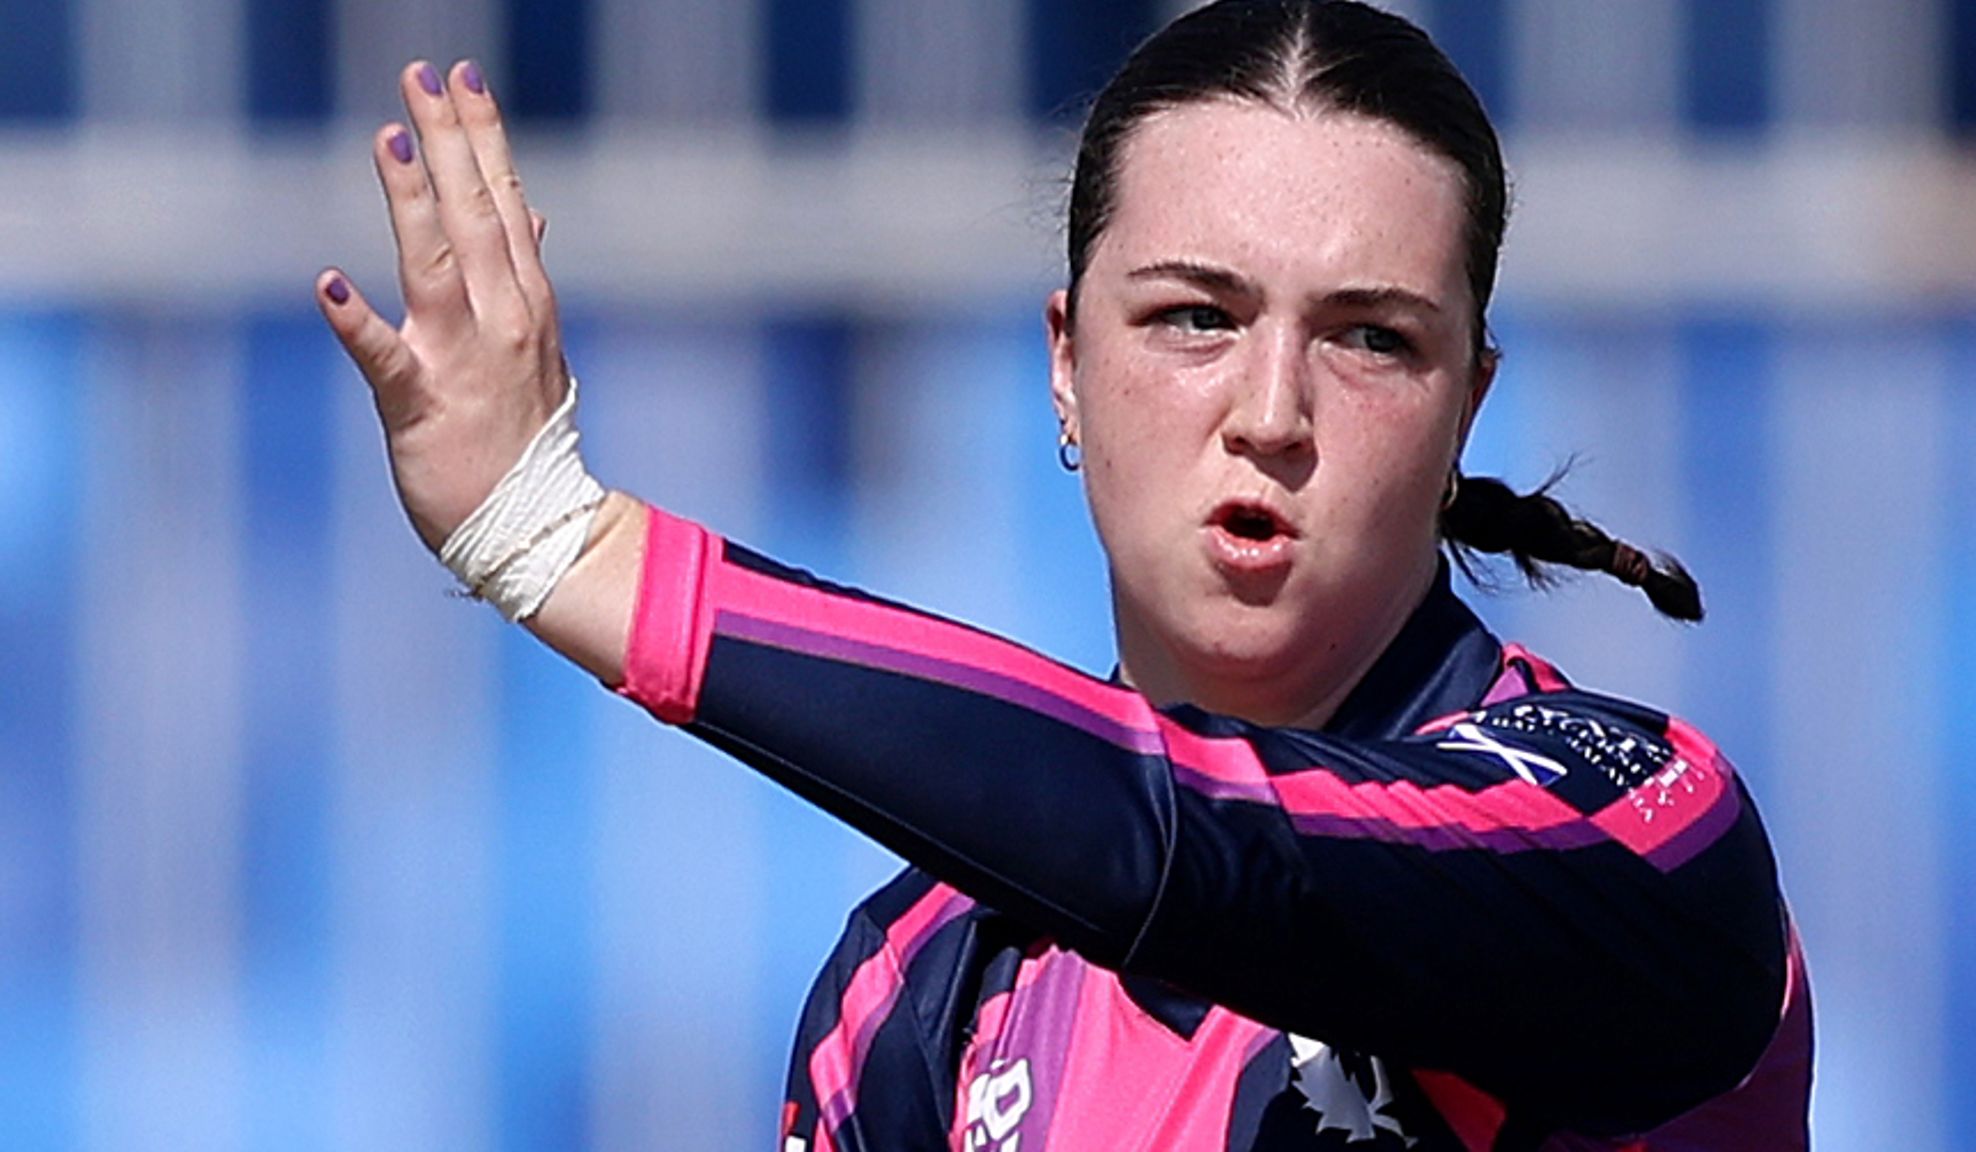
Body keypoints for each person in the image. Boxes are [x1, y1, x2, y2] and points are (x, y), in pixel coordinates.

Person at [315, 1, 1811, 1147]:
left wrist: (563, 543)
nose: (1271, 413)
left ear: (1466, 406)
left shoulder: (1631, 834)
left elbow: (1196, 840)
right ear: (1065, 367)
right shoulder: (918, 991)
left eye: (1371, 337)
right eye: (1191, 317)